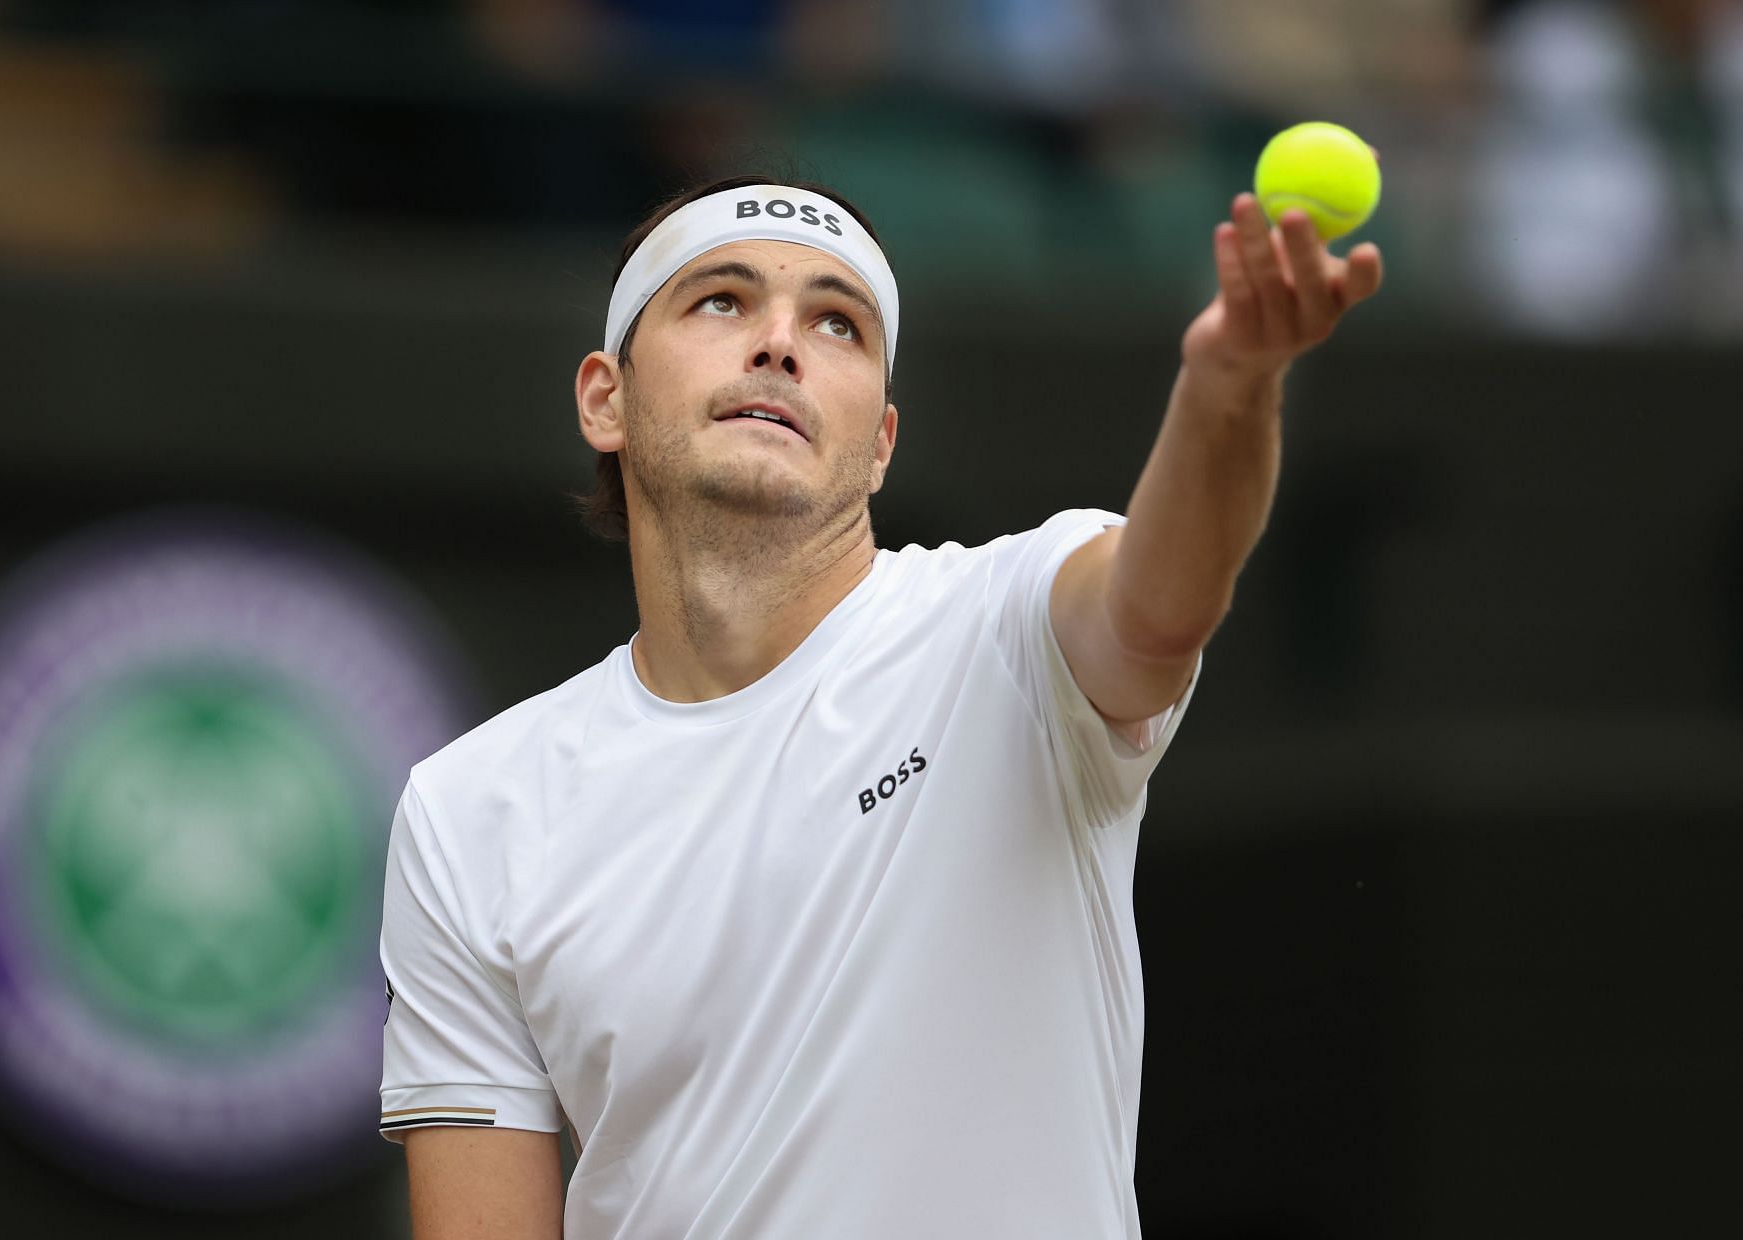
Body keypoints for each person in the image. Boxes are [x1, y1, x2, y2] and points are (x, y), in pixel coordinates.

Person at [377, 172, 1382, 1238]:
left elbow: (1161, 607)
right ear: (604, 398)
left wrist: (1230, 388)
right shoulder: (466, 811)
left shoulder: (1011, 626)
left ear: (881, 443)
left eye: (837, 323)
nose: (779, 343)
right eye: (721, 300)